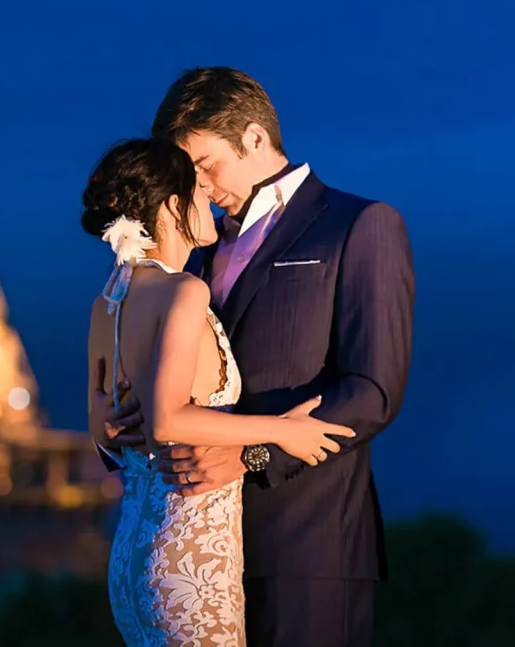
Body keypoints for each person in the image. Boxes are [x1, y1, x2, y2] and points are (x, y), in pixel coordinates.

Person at [93, 68, 415, 647]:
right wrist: (124, 428)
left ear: (256, 139)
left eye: (204, 164)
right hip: (194, 551)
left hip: (305, 549)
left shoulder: (360, 225)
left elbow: (373, 390)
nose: (197, 186)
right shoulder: (190, 256)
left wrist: (253, 455)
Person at [83, 137, 355, 646]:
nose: (207, 194)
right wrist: (281, 431)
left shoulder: (110, 300)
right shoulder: (184, 290)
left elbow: (105, 425)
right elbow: (167, 420)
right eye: (196, 187)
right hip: (190, 556)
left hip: (131, 559)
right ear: (171, 206)